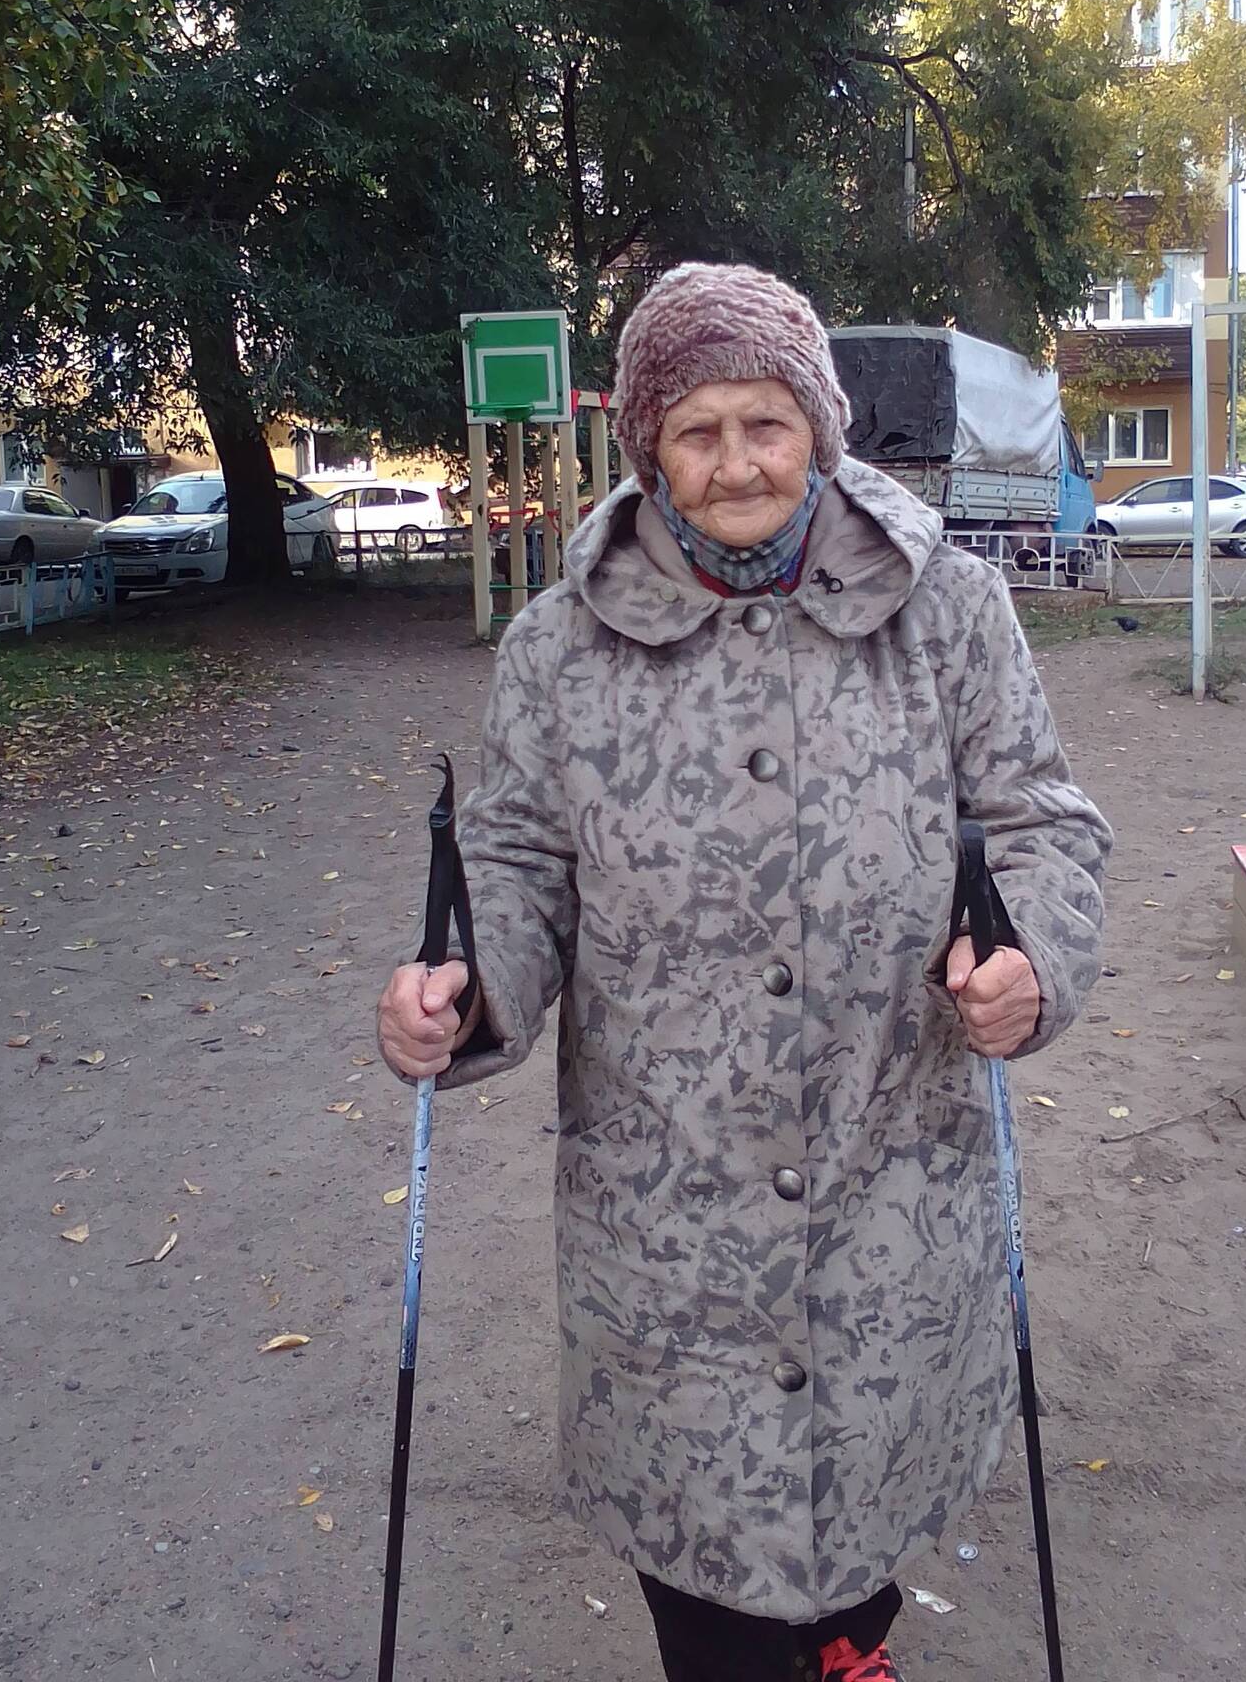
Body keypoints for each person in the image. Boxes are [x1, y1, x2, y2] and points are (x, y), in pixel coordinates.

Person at [377, 262, 1111, 1682]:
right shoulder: (561, 646)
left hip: (892, 1168)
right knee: (705, 1574)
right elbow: (515, 862)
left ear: (818, 429)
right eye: (696, 431)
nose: (735, 465)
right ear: (647, 446)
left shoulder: (947, 609)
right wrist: (464, 985)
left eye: (766, 424)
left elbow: (1040, 822)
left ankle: (851, 1648)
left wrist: (1029, 950)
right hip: (668, 1208)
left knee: (864, 1515)